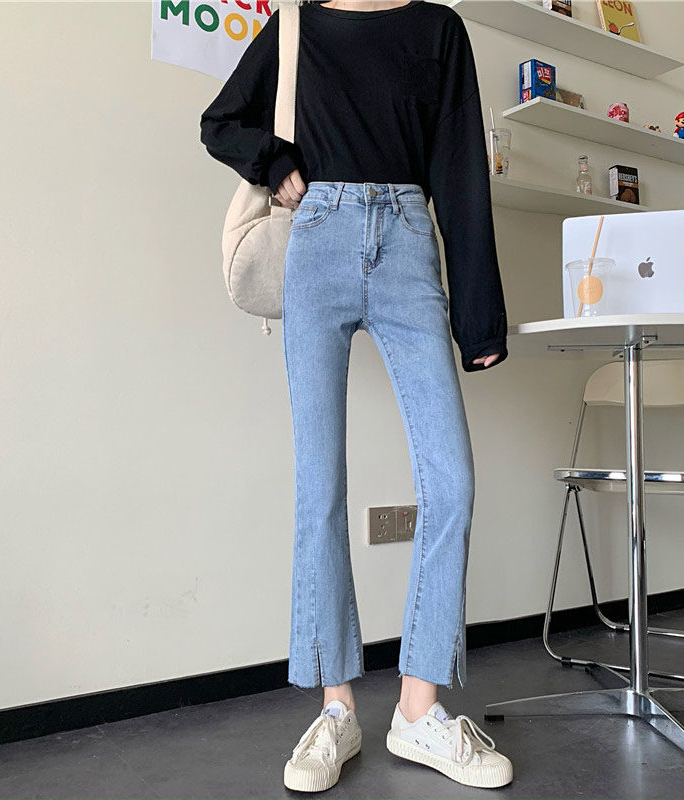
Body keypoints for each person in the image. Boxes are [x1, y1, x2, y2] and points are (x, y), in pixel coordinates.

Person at [200, 0, 513, 791]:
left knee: (451, 482)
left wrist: (479, 317)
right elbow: (220, 121)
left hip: (407, 241)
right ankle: (336, 710)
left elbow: (460, 169)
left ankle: (418, 711)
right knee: (320, 489)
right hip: (317, 240)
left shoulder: (437, 29)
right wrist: (273, 160)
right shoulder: (297, 25)